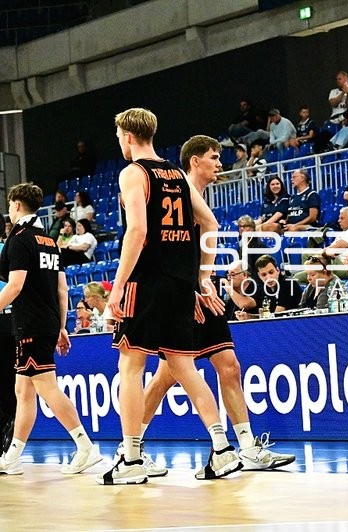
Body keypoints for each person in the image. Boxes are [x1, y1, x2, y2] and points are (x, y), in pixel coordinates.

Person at [133, 135, 295, 477]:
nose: (220, 163)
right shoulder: (176, 191)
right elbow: (167, 252)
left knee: (228, 366)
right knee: (166, 375)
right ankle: (132, 447)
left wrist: (204, 279)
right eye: (213, 156)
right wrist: (192, 285)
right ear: (195, 161)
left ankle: (247, 447)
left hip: (200, 292)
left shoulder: (199, 199)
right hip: (183, 295)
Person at [98, 108, 239, 485]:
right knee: (183, 367)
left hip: (146, 282)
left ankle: (130, 459)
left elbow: (138, 232)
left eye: (118, 136)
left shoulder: (133, 172)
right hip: (180, 284)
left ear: (127, 135)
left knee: (130, 367)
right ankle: (223, 449)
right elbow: (209, 224)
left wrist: (118, 285)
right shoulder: (177, 174)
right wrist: (201, 278)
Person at [0, 182, 102, 476]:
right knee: (23, 390)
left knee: (46, 388)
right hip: (44, 322)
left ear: (17, 205)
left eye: (9, 205)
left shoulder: (19, 240)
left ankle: (86, 447)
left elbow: (15, 286)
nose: (9, 211)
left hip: (30, 322)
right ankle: (13, 456)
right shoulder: (48, 240)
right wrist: (61, 326)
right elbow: (62, 288)